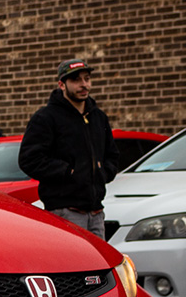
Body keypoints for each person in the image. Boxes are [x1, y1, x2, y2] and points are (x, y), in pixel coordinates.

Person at [18, 58, 120, 238]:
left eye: (87, 79)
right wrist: (68, 171)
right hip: (64, 211)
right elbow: (29, 159)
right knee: (72, 265)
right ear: (61, 84)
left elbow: (112, 154)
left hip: (96, 212)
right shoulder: (46, 118)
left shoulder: (98, 117)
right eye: (76, 80)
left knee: (99, 264)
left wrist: (104, 173)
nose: (83, 85)